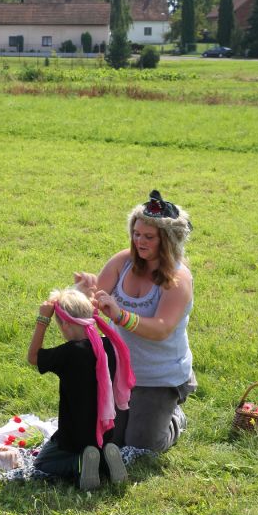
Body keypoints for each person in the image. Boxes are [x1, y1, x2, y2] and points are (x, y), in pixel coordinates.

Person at [76, 190, 196, 454]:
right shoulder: (123, 261)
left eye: (149, 237)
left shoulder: (178, 278)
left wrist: (121, 315)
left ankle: (175, 417)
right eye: (136, 233)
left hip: (159, 376)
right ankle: (152, 414)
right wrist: (83, 291)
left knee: (141, 447)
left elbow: (162, 328)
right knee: (110, 439)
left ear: (167, 240)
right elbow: (95, 300)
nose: (139, 241)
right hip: (120, 370)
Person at [27, 287, 135, 490]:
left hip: (72, 437)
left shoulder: (68, 353)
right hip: (105, 434)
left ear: (66, 325)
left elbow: (33, 357)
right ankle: (106, 462)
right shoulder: (108, 347)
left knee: (42, 463)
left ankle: (78, 463)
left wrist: (43, 320)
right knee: (96, 450)